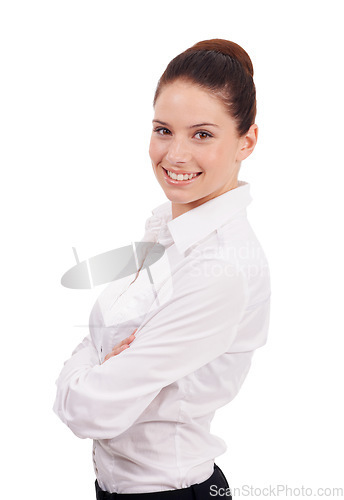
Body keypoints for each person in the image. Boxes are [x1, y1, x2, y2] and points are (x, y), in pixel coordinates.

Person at [53, 38, 271, 499]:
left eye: (203, 134)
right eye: (163, 130)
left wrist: (94, 368)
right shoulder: (167, 229)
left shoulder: (220, 266)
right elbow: (98, 340)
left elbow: (87, 410)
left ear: (246, 140)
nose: (174, 155)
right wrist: (102, 358)